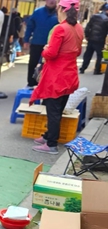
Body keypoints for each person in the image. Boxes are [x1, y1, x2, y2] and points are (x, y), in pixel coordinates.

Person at [31, 0, 83, 155]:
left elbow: (51, 54)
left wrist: (44, 49)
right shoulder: (79, 28)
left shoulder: (61, 28)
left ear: (60, 8)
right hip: (70, 75)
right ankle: (48, 136)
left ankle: (51, 144)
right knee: (58, 109)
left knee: (53, 110)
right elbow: (78, 51)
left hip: (56, 76)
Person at [23, 0, 58, 89]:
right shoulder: (37, 12)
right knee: (33, 63)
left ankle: (47, 85)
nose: (51, 1)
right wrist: (26, 40)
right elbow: (30, 26)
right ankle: (31, 83)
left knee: (50, 65)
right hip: (37, 43)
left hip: (53, 45)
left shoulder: (59, 13)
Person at [79, 4, 108, 75]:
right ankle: (97, 70)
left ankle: (83, 68)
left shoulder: (94, 16)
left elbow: (88, 26)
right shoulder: (107, 19)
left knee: (88, 54)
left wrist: (87, 36)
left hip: (91, 39)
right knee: (99, 55)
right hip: (100, 40)